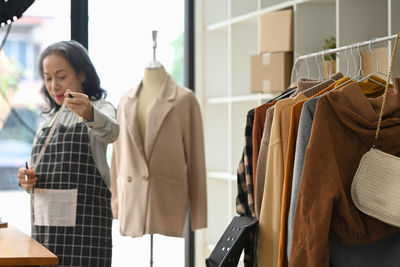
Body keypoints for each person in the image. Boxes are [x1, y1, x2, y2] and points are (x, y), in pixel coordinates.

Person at [17, 40, 119, 266]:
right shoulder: (46, 122)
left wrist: (91, 113)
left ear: (82, 74)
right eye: (48, 77)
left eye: (62, 77)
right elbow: (37, 176)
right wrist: (27, 180)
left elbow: (112, 132)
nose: (54, 85)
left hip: (88, 230)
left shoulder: (100, 109)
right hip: (45, 232)